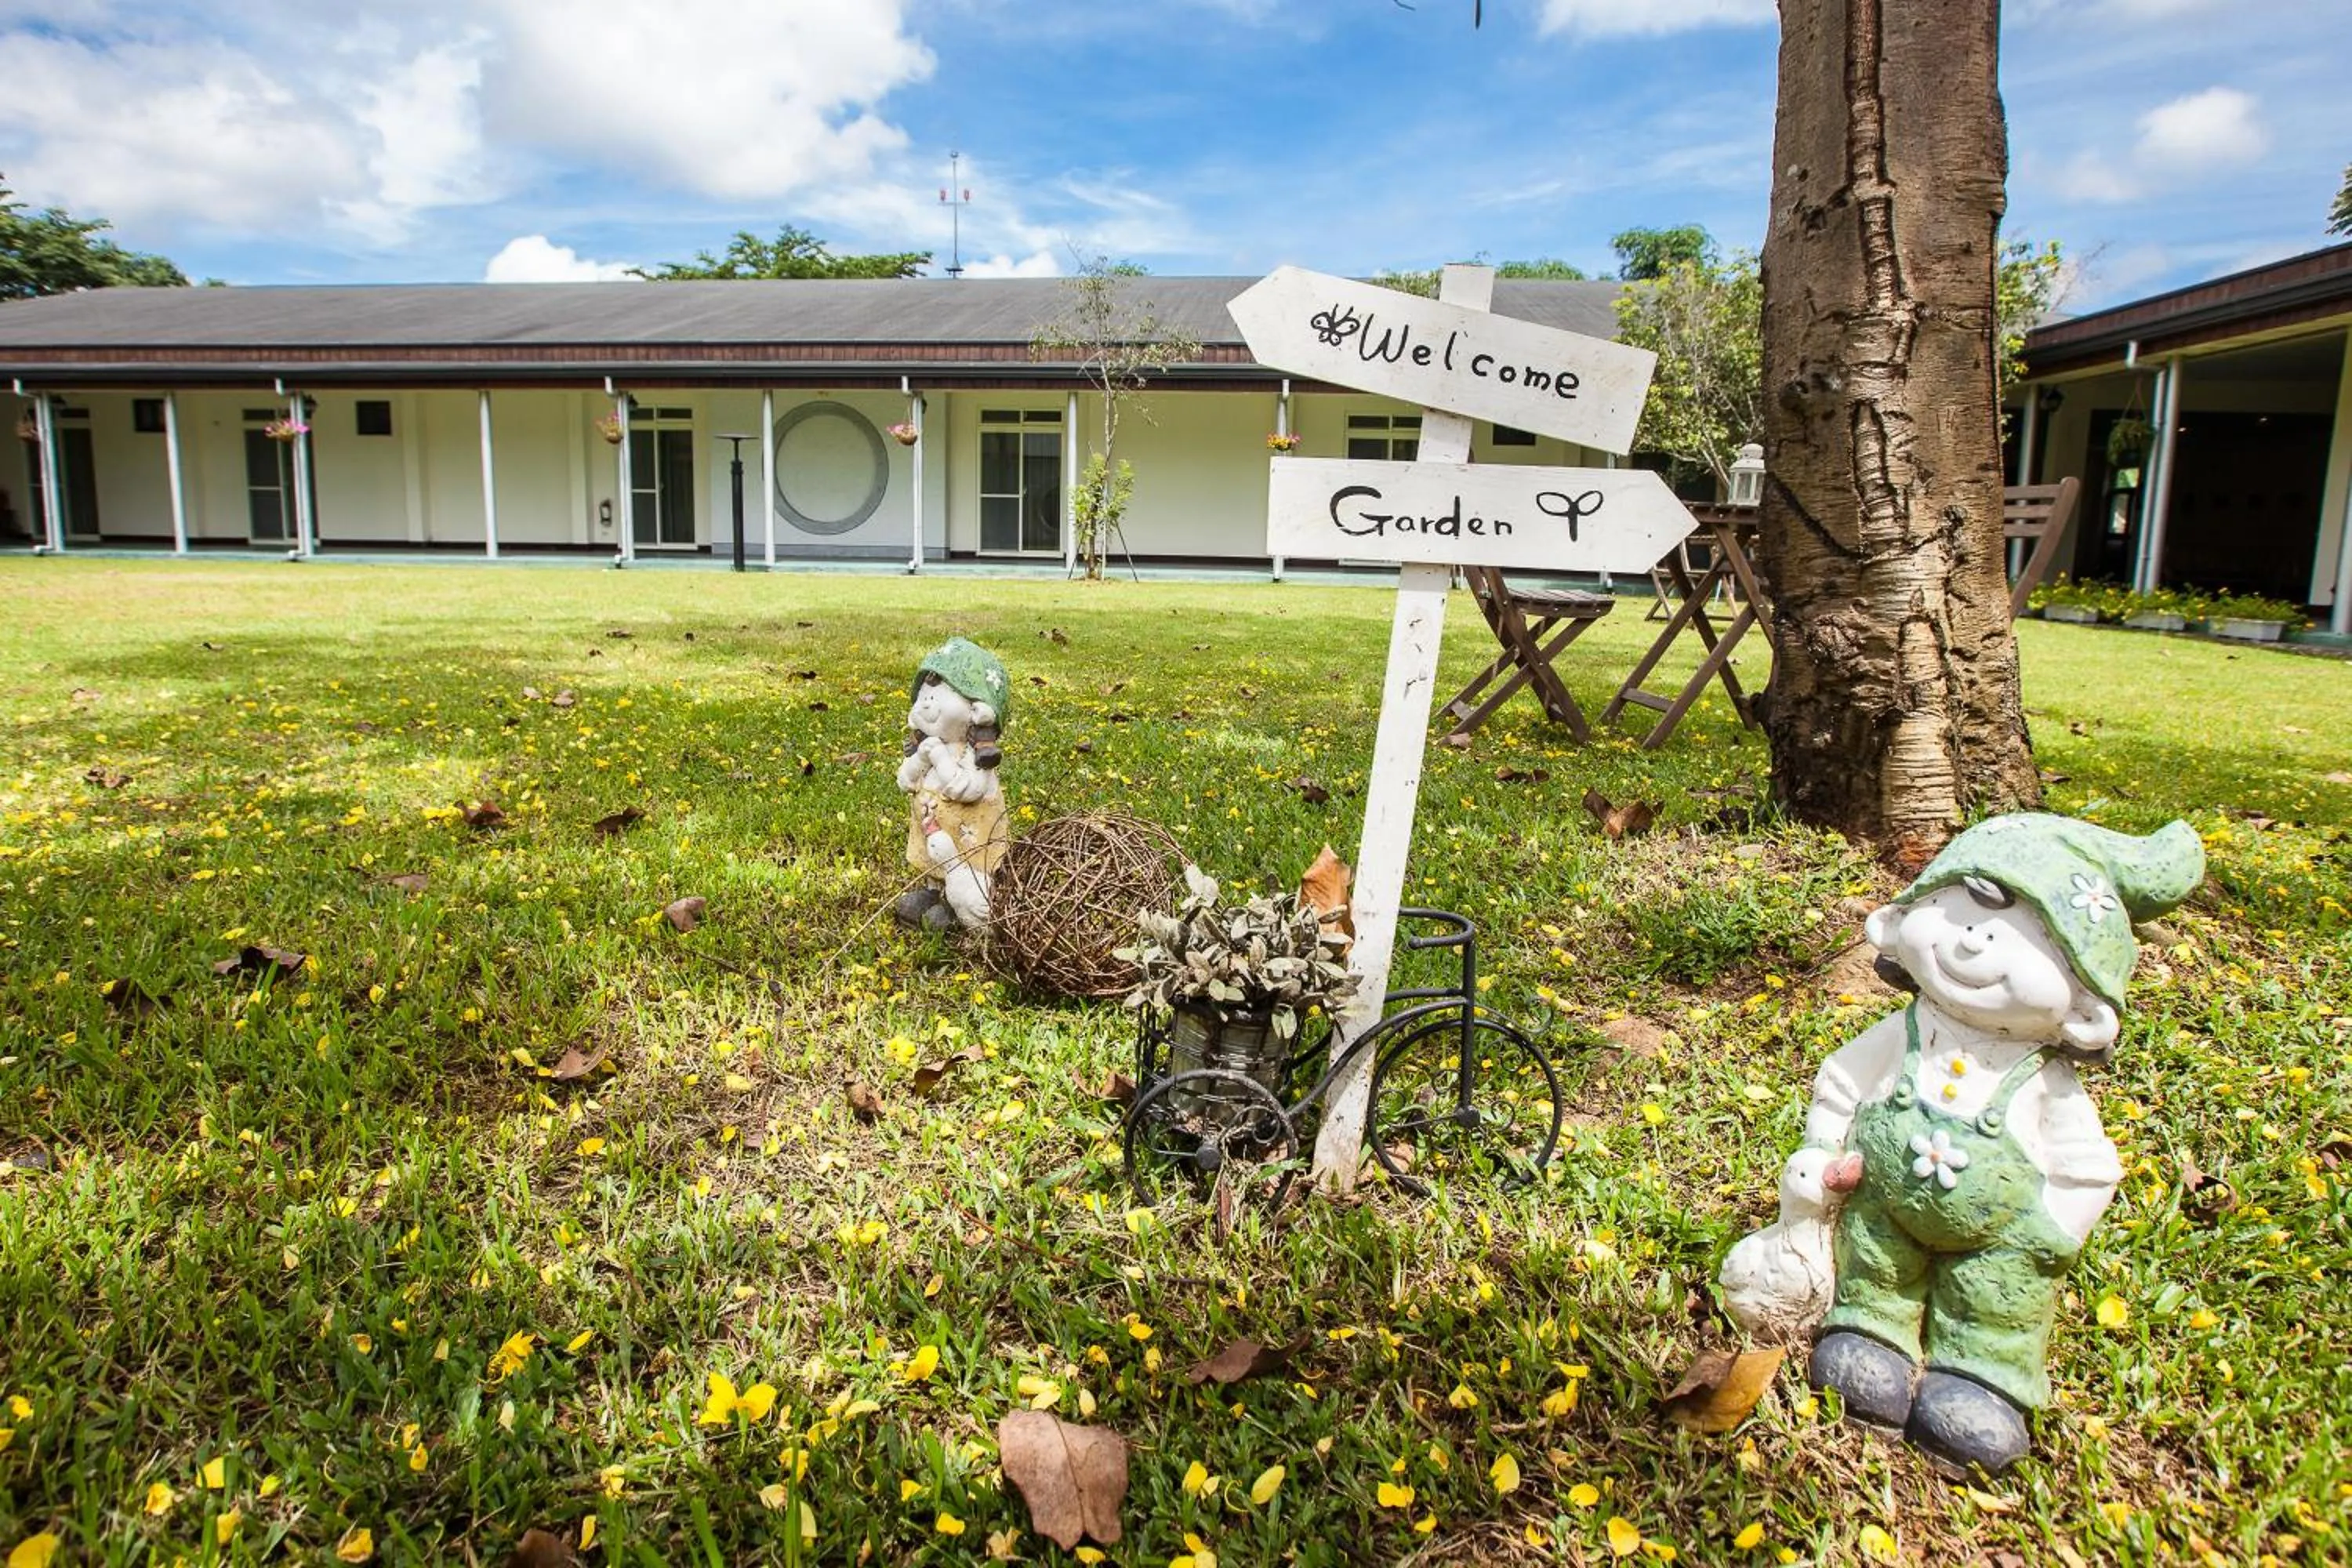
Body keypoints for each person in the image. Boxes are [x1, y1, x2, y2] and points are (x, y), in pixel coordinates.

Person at [1790, 815, 2203, 1473]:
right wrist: (1820, 1149)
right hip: (1881, 1211)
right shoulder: (1905, 1033)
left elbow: (2087, 1169)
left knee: (1994, 1310)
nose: (1974, 944)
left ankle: (1981, 1377)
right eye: (1957, 911)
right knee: (1876, 1273)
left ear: (2084, 1003)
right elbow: (1841, 1081)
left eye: (2024, 937)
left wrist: (2047, 1235)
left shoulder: (2043, 1080)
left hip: (2002, 1243)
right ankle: (1870, 1328)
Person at [892, 637, 1010, 931]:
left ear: (978, 710)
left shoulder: (974, 756)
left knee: (965, 867)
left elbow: (966, 790)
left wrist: (941, 758)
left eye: (941, 694)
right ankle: (933, 890)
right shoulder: (929, 746)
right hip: (933, 829)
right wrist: (921, 757)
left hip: (971, 843)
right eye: (924, 694)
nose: (927, 702)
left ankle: (956, 905)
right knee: (935, 857)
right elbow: (906, 781)